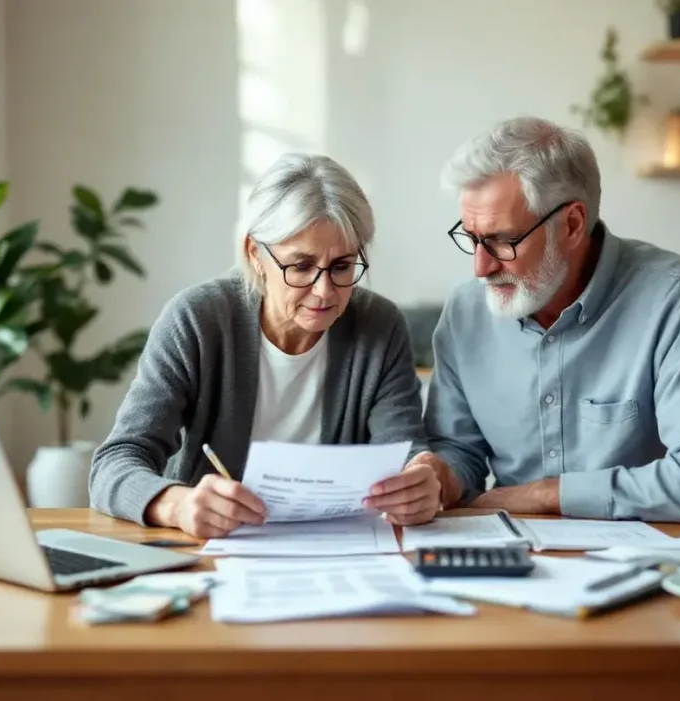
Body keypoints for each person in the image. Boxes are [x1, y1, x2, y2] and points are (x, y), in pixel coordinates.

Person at [90, 153, 455, 537]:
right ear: (255, 254)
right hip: (212, 549)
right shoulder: (197, 321)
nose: (324, 290)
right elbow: (115, 462)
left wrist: (420, 479)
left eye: (342, 266)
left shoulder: (380, 326)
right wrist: (176, 504)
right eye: (301, 266)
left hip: (338, 547)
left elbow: (404, 453)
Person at [424, 116, 680, 522]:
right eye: (472, 238)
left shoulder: (674, 298)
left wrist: (548, 495)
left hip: (650, 552)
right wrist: (440, 476)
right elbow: (459, 452)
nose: (481, 267)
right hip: (512, 550)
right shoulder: (465, 313)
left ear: (572, 225)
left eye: (502, 240)